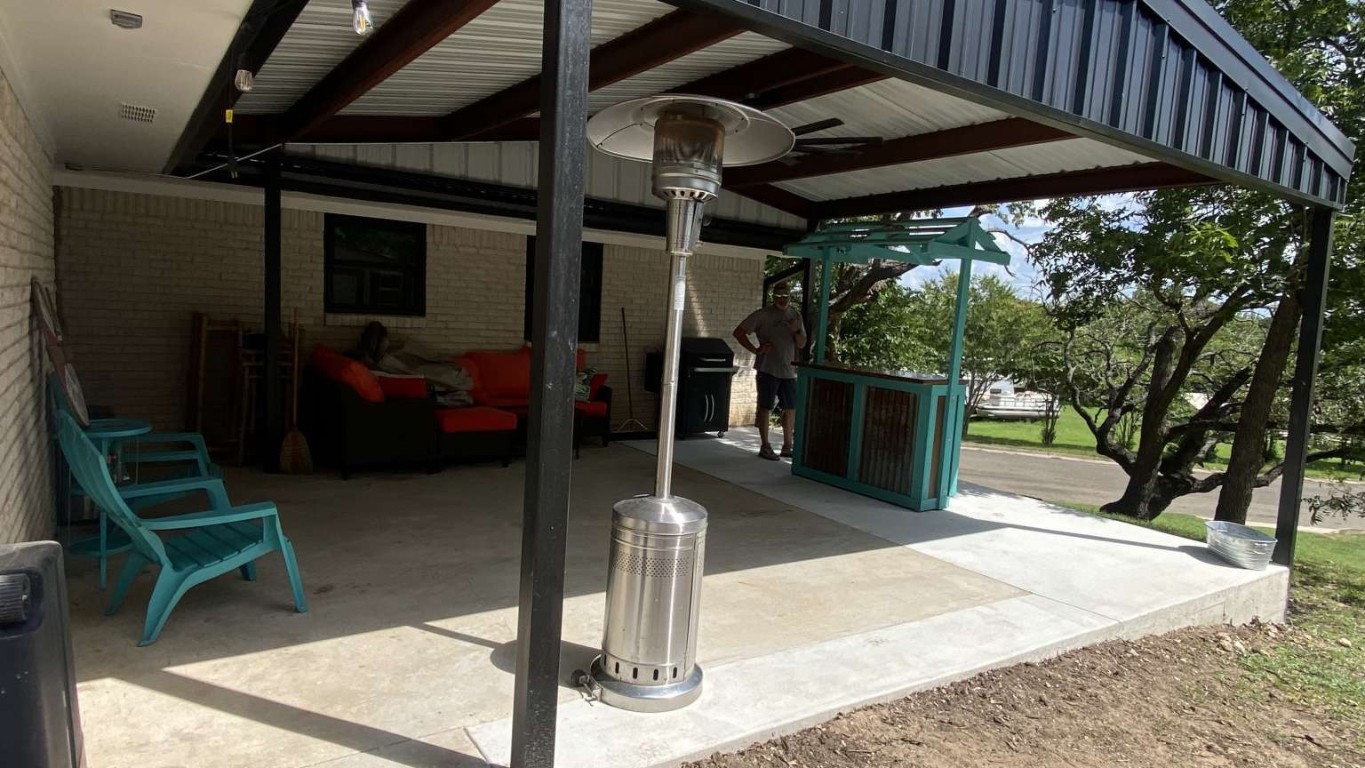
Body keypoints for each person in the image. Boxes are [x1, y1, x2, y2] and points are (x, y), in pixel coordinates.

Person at [733, 282, 807, 460]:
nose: (783, 299)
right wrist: (756, 350)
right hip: (768, 369)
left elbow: (802, 343)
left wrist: (795, 330)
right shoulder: (763, 314)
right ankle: (765, 446)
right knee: (765, 407)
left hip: (789, 370)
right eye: (779, 296)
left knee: (790, 408)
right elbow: (739, 332)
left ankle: (788, 446)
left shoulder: (795, 315)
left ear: (790, 295)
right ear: (774, 297)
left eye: (786, 295)